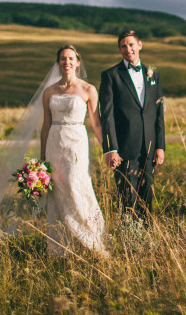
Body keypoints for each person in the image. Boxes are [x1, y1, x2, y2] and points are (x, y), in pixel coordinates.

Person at [39, 45, 107, 256]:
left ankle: (90, 238)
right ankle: (61, 246)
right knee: (57, 189)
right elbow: (46, 125)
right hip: (54, 143)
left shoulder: (88, 89)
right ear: (58, 63)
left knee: (76, 184)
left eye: (71, 58)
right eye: (62, 59)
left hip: (76, 142)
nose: (66, 62)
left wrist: (108, 149)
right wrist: (42, 158)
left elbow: (96, 123)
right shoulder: (49, 91)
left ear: (78, 62)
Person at [99, 30, 165, 217]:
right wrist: (111, 148)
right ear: (119, 50)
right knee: (128, 199)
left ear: (139, 45)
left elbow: (158, 113)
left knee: (148, 197)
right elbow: (107, 115)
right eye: (123, 46)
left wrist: (160, 146)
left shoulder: (153, 74)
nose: (128, 49)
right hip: (124, 148)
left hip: (150, 147)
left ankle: (147, 241)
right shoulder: (111, 75)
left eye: (131, 44)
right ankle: (130, 241)